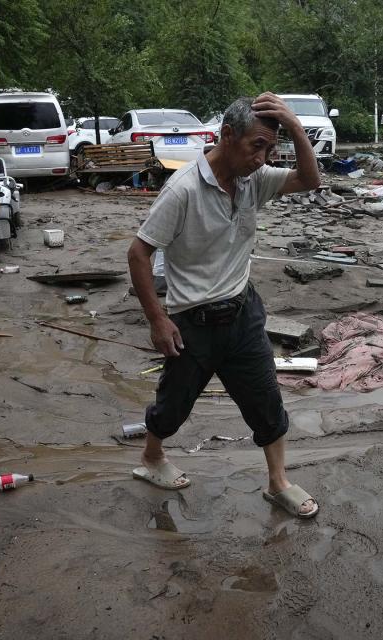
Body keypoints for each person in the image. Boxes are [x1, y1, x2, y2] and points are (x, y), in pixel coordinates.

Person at [126, 93, 322, 518]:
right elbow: (138, 254)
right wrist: (158, 321)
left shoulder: (256, 179)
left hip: (242, 312)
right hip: (191, 323)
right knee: (173, 404)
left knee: (266, 401)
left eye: (270, 148)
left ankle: (278, 482)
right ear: (228, 136)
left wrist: (295, 127)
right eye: (257, 145)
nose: (263, 157)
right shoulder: (183, 190)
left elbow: (310, 180)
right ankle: (151, 458)